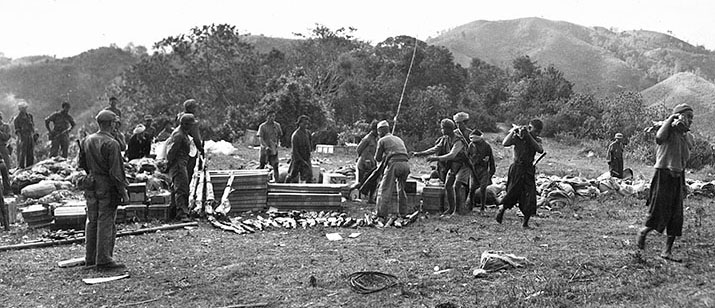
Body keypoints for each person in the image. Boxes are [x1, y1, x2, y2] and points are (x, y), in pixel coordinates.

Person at [637, 104, 694, 262]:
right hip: (663, 175)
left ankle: (667, 251)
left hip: (677, 177)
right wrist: (671, 118)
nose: (690, 120)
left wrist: (683, 184)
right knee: (659, 210)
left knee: (676, 215)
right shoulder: (667, 131)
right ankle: (643, 231)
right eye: (687, 116)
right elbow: (659, 138)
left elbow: (683, 162)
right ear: (678, 116)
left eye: (692, 118)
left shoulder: (688, 137)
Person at [78, 110, 129, 270]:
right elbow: (116, 172)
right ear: (110, 123)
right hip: (106, 185)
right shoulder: (111, 143)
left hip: (91, 183)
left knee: (92, 220)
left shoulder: (87, 140)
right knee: (106, 221)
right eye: (114, 123)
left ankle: (90, 258)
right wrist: (123, 191)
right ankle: (104, 259)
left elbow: (82, 164)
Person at [496, 119, 544, 228]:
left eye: (539, 132)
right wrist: (514, 131)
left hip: (528, 169)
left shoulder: (537, 140)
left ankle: (525, 223)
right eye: (535, 131)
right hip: (517, 168)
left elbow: (539, 149)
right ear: (530, 128)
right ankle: (502, 209)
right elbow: (505, 143)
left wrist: (529, 136)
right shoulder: (518, 137)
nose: (537, 134)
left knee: (529, 195)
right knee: (512, 192)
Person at [426, 119, 471, 216]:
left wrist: (436, 158)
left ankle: (457, 211)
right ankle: (450, 209)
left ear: (449, 129)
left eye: (443, 128)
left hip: (464, 165)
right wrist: (419, 153)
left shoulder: (458, 140)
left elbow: (452, 155)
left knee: (457, 185)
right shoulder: (445, 139)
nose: (442, 130)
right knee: (448, 185)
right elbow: (435, 149)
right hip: (454, 165)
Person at [374, 120, 410, 219]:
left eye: (378, 132)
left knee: (385, 189)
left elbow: (377, 158)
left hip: (394, 164)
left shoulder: (382, 140)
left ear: (381, 131)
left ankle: (381, 214)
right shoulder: (398, 139)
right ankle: (403, 213)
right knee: (401, 189)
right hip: (406, 165)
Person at [167, 114, 196, 222]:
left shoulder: (183, 133)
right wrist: (169, 164)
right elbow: (171, 152)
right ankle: (182, 213)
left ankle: (176, 211)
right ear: (184, 124)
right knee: (181, 188)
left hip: (181, 162)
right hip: (178, 164)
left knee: (179, 187)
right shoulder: (179, 135)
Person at [467, 129, 496, 211]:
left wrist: (491, 173)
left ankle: (482, 207)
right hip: (474, 170)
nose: (474, 143)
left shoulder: (486, 146)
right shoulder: (471, 145)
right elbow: (467, 157)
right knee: (472, 189)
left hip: (483, 170)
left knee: (483, 188)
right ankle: (470, 207)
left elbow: (491, 161)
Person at [176, 99, 204, 182]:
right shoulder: (191, 120)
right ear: (191, 108)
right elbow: (196, 136)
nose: (196, 110)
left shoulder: (179, 116)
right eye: (195, 108)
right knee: (188, 170)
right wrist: (200, 148)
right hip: (188, 147)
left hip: (178, 145)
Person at [356, 120, 379, 203]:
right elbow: (358, 149)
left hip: (372, 164)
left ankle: (370, 198)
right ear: (373, 129)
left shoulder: (376, 140)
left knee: (374, 181)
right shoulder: (367, 139)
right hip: (363, 164)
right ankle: (358, 197)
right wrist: (364, 159)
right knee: (361, 182)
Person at [285, 115, 313, 183]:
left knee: (309, 175)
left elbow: (309, 145)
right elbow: (295, 151)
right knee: (292, 175)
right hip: (297, 159)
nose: (306, 126)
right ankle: (285, 186)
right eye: (304, 124)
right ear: (299, 123)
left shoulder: (308, 133)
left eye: (307, 124)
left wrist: (308, 157)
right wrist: (302, 161)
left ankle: (308, 191)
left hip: (306, 157)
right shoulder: (295, 135)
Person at [257, 110, 283, 182]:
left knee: (275, 165)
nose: (272, 118)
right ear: (267, 117)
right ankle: (260, 180)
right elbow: (260, 138)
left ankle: (276, 181)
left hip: (273, 148)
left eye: (273, 116)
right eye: (270, 116)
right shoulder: (262, 126)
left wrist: (277, 144)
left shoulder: (277, 126)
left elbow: (279, 135)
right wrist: (265, 146)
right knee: (262, 165)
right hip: (264, 149)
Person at [13, 100, 36, 168]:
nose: (24, 109)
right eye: (23, 108)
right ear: (20, 109)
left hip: (30, 136)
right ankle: (21, 166)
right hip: (23, 136)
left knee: (30, 151)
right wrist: (20, 139)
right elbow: (17, 130)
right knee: (22, 152)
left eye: (25, 108)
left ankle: (30, 166)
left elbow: (32, 126)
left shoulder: (29, 116)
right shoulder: (17, 119)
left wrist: (34, 134)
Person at [0, 112, 12, 193]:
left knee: (5, 168)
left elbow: (7, 137)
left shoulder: (5, 126)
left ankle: (7, 189)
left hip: (2, 147)